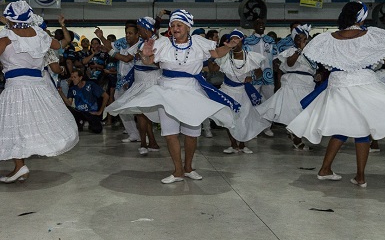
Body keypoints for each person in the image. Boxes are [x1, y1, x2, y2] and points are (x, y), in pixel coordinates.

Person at [287, 2, 385, 187]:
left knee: (344, 127)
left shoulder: (327, 38)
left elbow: (320, 58)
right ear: (360, 17)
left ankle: (326, 169)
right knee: (361, 128)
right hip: (362, 83)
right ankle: (359, 176)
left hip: (338, 84)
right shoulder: (369, 35)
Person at [108, 10, 240, 183]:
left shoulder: (199, 43)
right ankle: (177, 171)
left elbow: (216, 53)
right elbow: (150, 62)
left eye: (179, 25)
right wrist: (145, 55)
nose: (175, 28)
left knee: (192, 133)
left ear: (188, 27)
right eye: (173, 25)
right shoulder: (163, 43)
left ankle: (188, 168)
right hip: (166, 91)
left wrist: (229, 46)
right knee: (170, 133)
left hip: (191, 92)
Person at [0, 1, 79, 182]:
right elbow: (58, 45)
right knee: (31, 124)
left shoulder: (6, 36)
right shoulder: (40, 34)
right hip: (38, 87)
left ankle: (20, 165)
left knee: (13, 126)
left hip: (17, 87)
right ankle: (20, 166)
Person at [105, 17, 162, 154]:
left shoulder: (158, 43)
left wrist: (145, 57)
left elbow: (159, 63)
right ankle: (149, 143)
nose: (138, 31)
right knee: (142, 114)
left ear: (143, 29)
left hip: (151, 81)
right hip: (139, 81)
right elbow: (126, 59)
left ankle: (146, 143)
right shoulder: (139, 44)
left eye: (139, 29)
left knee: (144, 114)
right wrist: (109, 51)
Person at [257, 24, 317, 150]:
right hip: (293, 84)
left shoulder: (312, 53)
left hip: (308, 84)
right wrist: (300, 49)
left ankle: (294, 133)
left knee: (305, 112)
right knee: (295, 112)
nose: (301, 41)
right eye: (298, 39)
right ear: (294, 40)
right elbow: (290, 64)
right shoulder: (290, 51)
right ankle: (296, 138)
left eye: (304, 39)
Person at [218, 29, 271, 154]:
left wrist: (251, 78)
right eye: (232, 39)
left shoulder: (250, 56)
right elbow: (214, 67)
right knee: (229, 118)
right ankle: (233, 144)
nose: (234, 41)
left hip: (242, 91)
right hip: (227, 91)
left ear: (242, 41)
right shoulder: (225, 56)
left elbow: (259, 72)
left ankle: (242, 144)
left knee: (244, 118)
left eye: (237, 39)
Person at [64, 68, 108, 134]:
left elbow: (106, 96)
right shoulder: (72, 89)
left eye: (75, 77)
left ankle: (90, 123)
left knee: (97, 129)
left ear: (80, 77)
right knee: (69, 109)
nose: (73, 79)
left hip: (91, 112)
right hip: (80, 112)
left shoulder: (90, 85)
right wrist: (61, 93)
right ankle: (79, 123)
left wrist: (100, 111)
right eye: (72, 77)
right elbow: (69, 103)